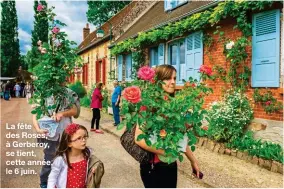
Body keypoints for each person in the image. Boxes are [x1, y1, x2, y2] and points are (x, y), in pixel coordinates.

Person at [134, 65, 201, 188]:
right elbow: (139, 138)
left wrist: (193, 161)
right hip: (153, 167)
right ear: (158, 80)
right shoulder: (148, 106)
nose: (173, 82)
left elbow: (180, 137)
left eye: (175, 78)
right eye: (168, 78)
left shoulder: (173, 105)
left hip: (170, 164)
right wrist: (166, 151)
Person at [32, 86, 80, 188]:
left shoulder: (67, 92)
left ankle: (65, 182)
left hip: (65, 133)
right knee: (49, 160)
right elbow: (35, 115)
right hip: (49, 134)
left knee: (67, 159)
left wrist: (62, 113)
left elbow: (75, 111)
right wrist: (38, 129)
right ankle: (44, 183)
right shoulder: (42, 93)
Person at [47, 123, 104, 188]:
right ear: (69, 143)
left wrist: (93, 170)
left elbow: (91, 164)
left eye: (84, 137)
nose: (84, 140)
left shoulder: (87, 154)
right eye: (79, 138)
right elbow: (52, 178)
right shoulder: (60, 160)